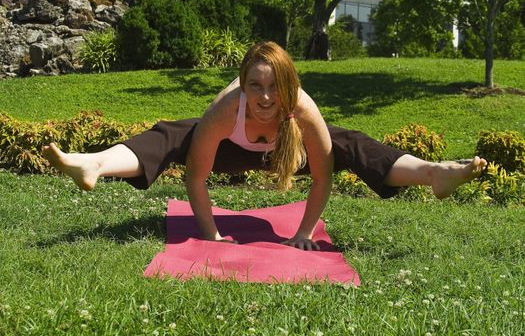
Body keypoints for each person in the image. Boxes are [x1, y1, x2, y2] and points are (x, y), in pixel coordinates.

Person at [42, 41, 487, 251]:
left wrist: (304, 233)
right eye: (255, 85)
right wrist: (211, 233)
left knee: (348, 143)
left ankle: (434, 173)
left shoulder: (302, 109)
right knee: (175, 133)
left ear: (288, 85)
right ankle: (96, 164)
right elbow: (196, 176)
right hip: (230, 149)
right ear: (243, 85)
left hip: (286, 146)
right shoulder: (226, 108)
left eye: (274, 86)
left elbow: (321, 177)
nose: (265, 97)